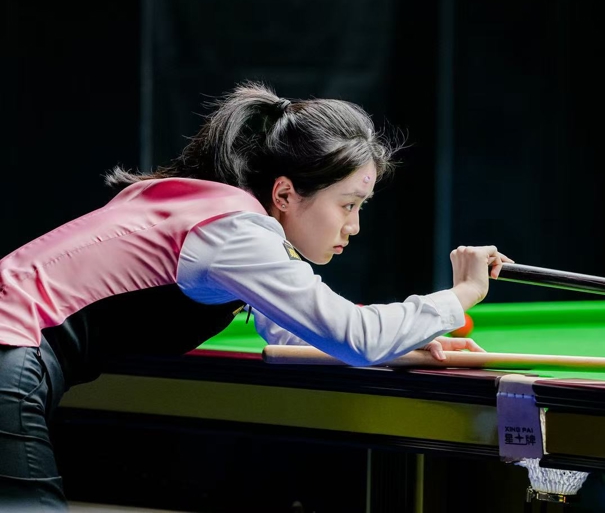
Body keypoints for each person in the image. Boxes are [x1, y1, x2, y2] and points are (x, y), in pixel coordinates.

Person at [0, 81, 511, 510]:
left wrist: (405, 345)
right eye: (348, 204)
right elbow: (355, 337)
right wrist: (462, 293)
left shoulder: (202, 205)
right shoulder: (237, 233)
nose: (354, 226)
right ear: (285, 193)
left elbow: (294, 334)